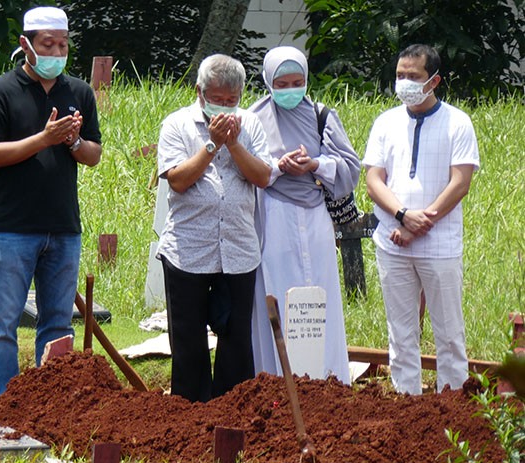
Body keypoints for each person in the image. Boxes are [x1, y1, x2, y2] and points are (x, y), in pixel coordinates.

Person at [0, 6, 102, 399]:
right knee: (2, 326)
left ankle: (50, 406)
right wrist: (43, 140)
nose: (56, 53)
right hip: (11, 228)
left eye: (63, 45)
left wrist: (73, 141)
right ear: (25, 44)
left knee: (58, 325)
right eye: (48, 45)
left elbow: (94, 154)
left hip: (63, 228)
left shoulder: (79, 92)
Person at [364, 44, 479, 395]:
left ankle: (453, 404)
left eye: (413, 76)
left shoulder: (457, 122)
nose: (405, 83)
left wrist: (418, 224)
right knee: (400, 333)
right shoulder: (385, 122)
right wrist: (402, 215)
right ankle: (406, 403)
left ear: (434, 81)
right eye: (400, 75)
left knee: (449, 334)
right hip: (392, 244)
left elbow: (460, 183)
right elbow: (373, 180)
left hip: (440, 245)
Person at [156, 54, 272, 402]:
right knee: (188, 341)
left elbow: (262, 176)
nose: (224, 106)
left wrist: (233, 143)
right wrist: (212, 145)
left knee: (237, 339)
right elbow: (178, 180)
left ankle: (231, 409)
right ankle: (190, 412)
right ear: (200, 92)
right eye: (217, 98)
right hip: (188, 249)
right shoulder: (176, 124)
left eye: (231, 100)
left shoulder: (250, 124)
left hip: (238, 247)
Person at [248, 46, 360, 384]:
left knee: (319, 293)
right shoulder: (253, 118)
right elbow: (245, 168)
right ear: (268, 82)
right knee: (277, 292)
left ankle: (327, 379)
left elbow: (350, 167)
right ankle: (277, 381)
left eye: (297, 83)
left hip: (315, 218)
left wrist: (314, 164)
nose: (290, 90)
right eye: (281, 84)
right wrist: (278, 167)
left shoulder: (321, 115)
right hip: (273, 217)